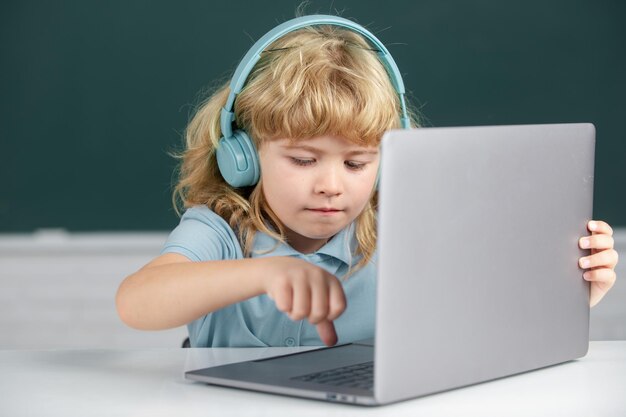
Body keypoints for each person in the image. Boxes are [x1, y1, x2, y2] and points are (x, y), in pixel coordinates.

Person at [115, 14, 619, 348]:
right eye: (304, 160)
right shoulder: (220, 230)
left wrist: (568, 295)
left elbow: (478, 332)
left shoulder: (396, 236)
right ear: (243, 155)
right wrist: (263, 274)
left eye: (357, 164)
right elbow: (137, 301)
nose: (331, 185)